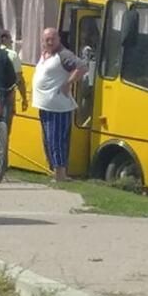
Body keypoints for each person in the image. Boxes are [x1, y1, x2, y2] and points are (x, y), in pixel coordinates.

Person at [31, 27, 87, 181]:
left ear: (58, 39)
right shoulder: (45, 55)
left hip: (57, 106)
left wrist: (68, 83)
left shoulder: (63, 54)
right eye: (46, 39)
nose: (49, 42)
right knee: (48, 140)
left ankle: (61, 174)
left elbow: (82, 67)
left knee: (56, 140)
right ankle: (56, 171)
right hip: (44, 105)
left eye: (52, 39)